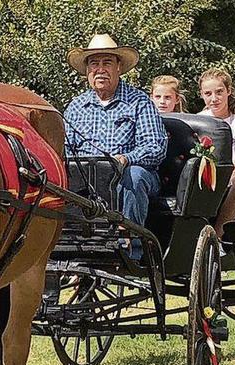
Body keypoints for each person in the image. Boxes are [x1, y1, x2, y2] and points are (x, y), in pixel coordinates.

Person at [64, 34, 168, 259]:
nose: (100, 69)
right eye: (94, 63)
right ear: (87, 71)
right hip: (88, 181)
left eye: (107, 63)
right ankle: (67, 242)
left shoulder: (139, 102)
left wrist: (125, 158)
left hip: (131, 178)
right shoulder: (75, 107)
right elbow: (64, 148)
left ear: (119, 67)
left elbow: (155, 146)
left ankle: (131, 246)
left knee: (135, 175)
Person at [197, 68, 235, 239]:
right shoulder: (200, 118)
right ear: (202, 95)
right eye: (208, 93)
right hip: (209, 176)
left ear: (229, 91)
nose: (214, 99)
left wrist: (227, 177)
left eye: (219, 92)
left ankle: (217, 235)